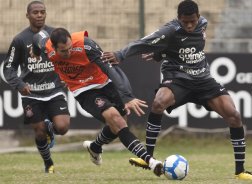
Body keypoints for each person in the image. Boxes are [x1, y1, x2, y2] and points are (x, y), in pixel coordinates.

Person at [101, 0, 252, 180]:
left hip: (203, 79)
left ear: (198, 17)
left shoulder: (203, 24)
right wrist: (120, 54)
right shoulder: (170, 29)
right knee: (158, 103)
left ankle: (240, 171)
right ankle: (148, 158)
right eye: (185, 22)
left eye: (192, 21)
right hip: (178, 77)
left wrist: (160, 53)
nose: (189, 25)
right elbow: (145, 42)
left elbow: (183, 46)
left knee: (234, 116)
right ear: (179, 18)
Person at [31, 27, 163, 176]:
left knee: (116, 126)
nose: (68, 53)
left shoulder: (86, 46)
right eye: (63, 51)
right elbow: (37, 37)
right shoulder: (47, 47)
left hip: (105, 82)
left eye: (70, 48)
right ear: (53, 47)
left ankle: (95, 147)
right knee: (118, 121)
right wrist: (35, 52)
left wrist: (127, 96)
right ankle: (151, 162)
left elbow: (110, 69)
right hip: (84, 90)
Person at [3, 1, 70, 173]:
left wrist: (66, 76)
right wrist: (19, 84)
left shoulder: (54, 35)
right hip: (31, 93)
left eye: (42, 12)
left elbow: (66, 58)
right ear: (28, 15)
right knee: (39, 132)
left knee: (62, 128)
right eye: (35, 12)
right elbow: (8, 67)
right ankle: (48, 163)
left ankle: (51, 128)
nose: (39, 15)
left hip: (54, 89)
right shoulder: (19, 39)